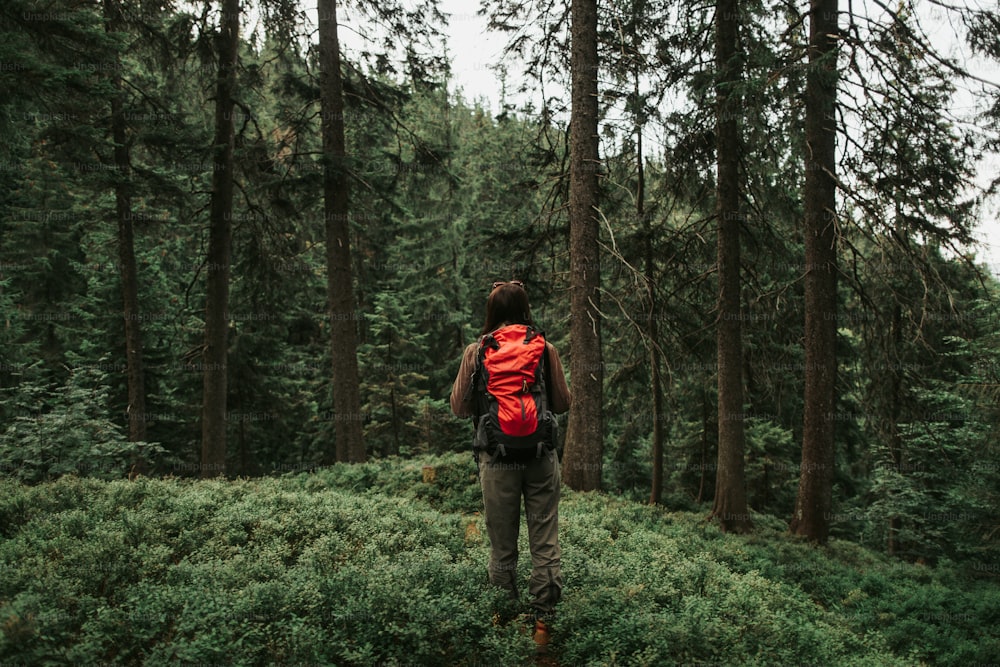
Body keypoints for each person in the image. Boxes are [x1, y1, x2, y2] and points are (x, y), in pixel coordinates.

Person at [450, 280, 571, 652]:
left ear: (491, 312)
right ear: (525, 309)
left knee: (502, 547)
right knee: (544, 541)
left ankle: (502, 622)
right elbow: (564, 402)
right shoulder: (544, 347)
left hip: (496, 461)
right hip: (541, 457)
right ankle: (543, 626)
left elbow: (458, 406)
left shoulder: (477, 350)